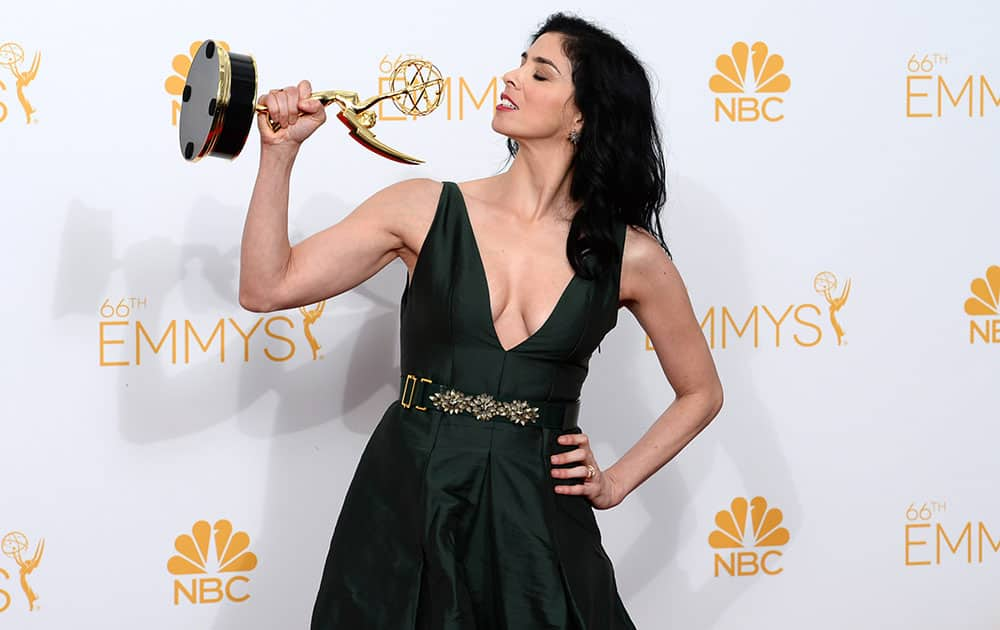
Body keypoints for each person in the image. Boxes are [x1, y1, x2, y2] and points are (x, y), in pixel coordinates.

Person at [240, 12, 723, 630]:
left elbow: (701, 391)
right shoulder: (420, 208)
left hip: (537, 506)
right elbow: (265, 286)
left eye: (539, 71)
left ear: (583, 115)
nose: (512, 77)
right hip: (412, 488)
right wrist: (279, 155)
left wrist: (616, 481)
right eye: (520, 62)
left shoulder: (630, 257)